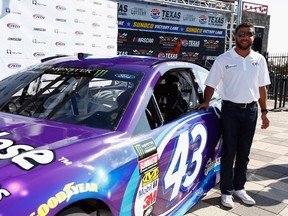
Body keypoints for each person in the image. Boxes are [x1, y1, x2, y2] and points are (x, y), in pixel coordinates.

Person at [196, 22, 270, 208]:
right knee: (229, 152)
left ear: (253, 37)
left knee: (244, 152)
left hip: (251, 110)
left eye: (249, 34)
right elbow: (211, 84)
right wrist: (206, 101)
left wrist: (264, 112)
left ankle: (239, 188)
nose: (245, 37)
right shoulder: (223, 59)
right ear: (235, 37)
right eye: (242, 34)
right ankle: (226, 191)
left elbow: (262, 88)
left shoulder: (259, 59)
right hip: (230, 110)